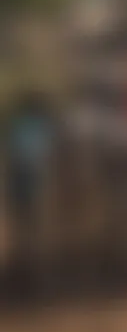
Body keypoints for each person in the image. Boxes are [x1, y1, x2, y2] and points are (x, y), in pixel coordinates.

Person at [3, 91, 55, 293]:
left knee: (23, 225)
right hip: (29, 178)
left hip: (20, 178)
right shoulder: (37, 127)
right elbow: (40, 155)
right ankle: (31, 268)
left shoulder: (18, 125)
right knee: (32, 225)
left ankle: (25, 266)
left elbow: (13, 154)